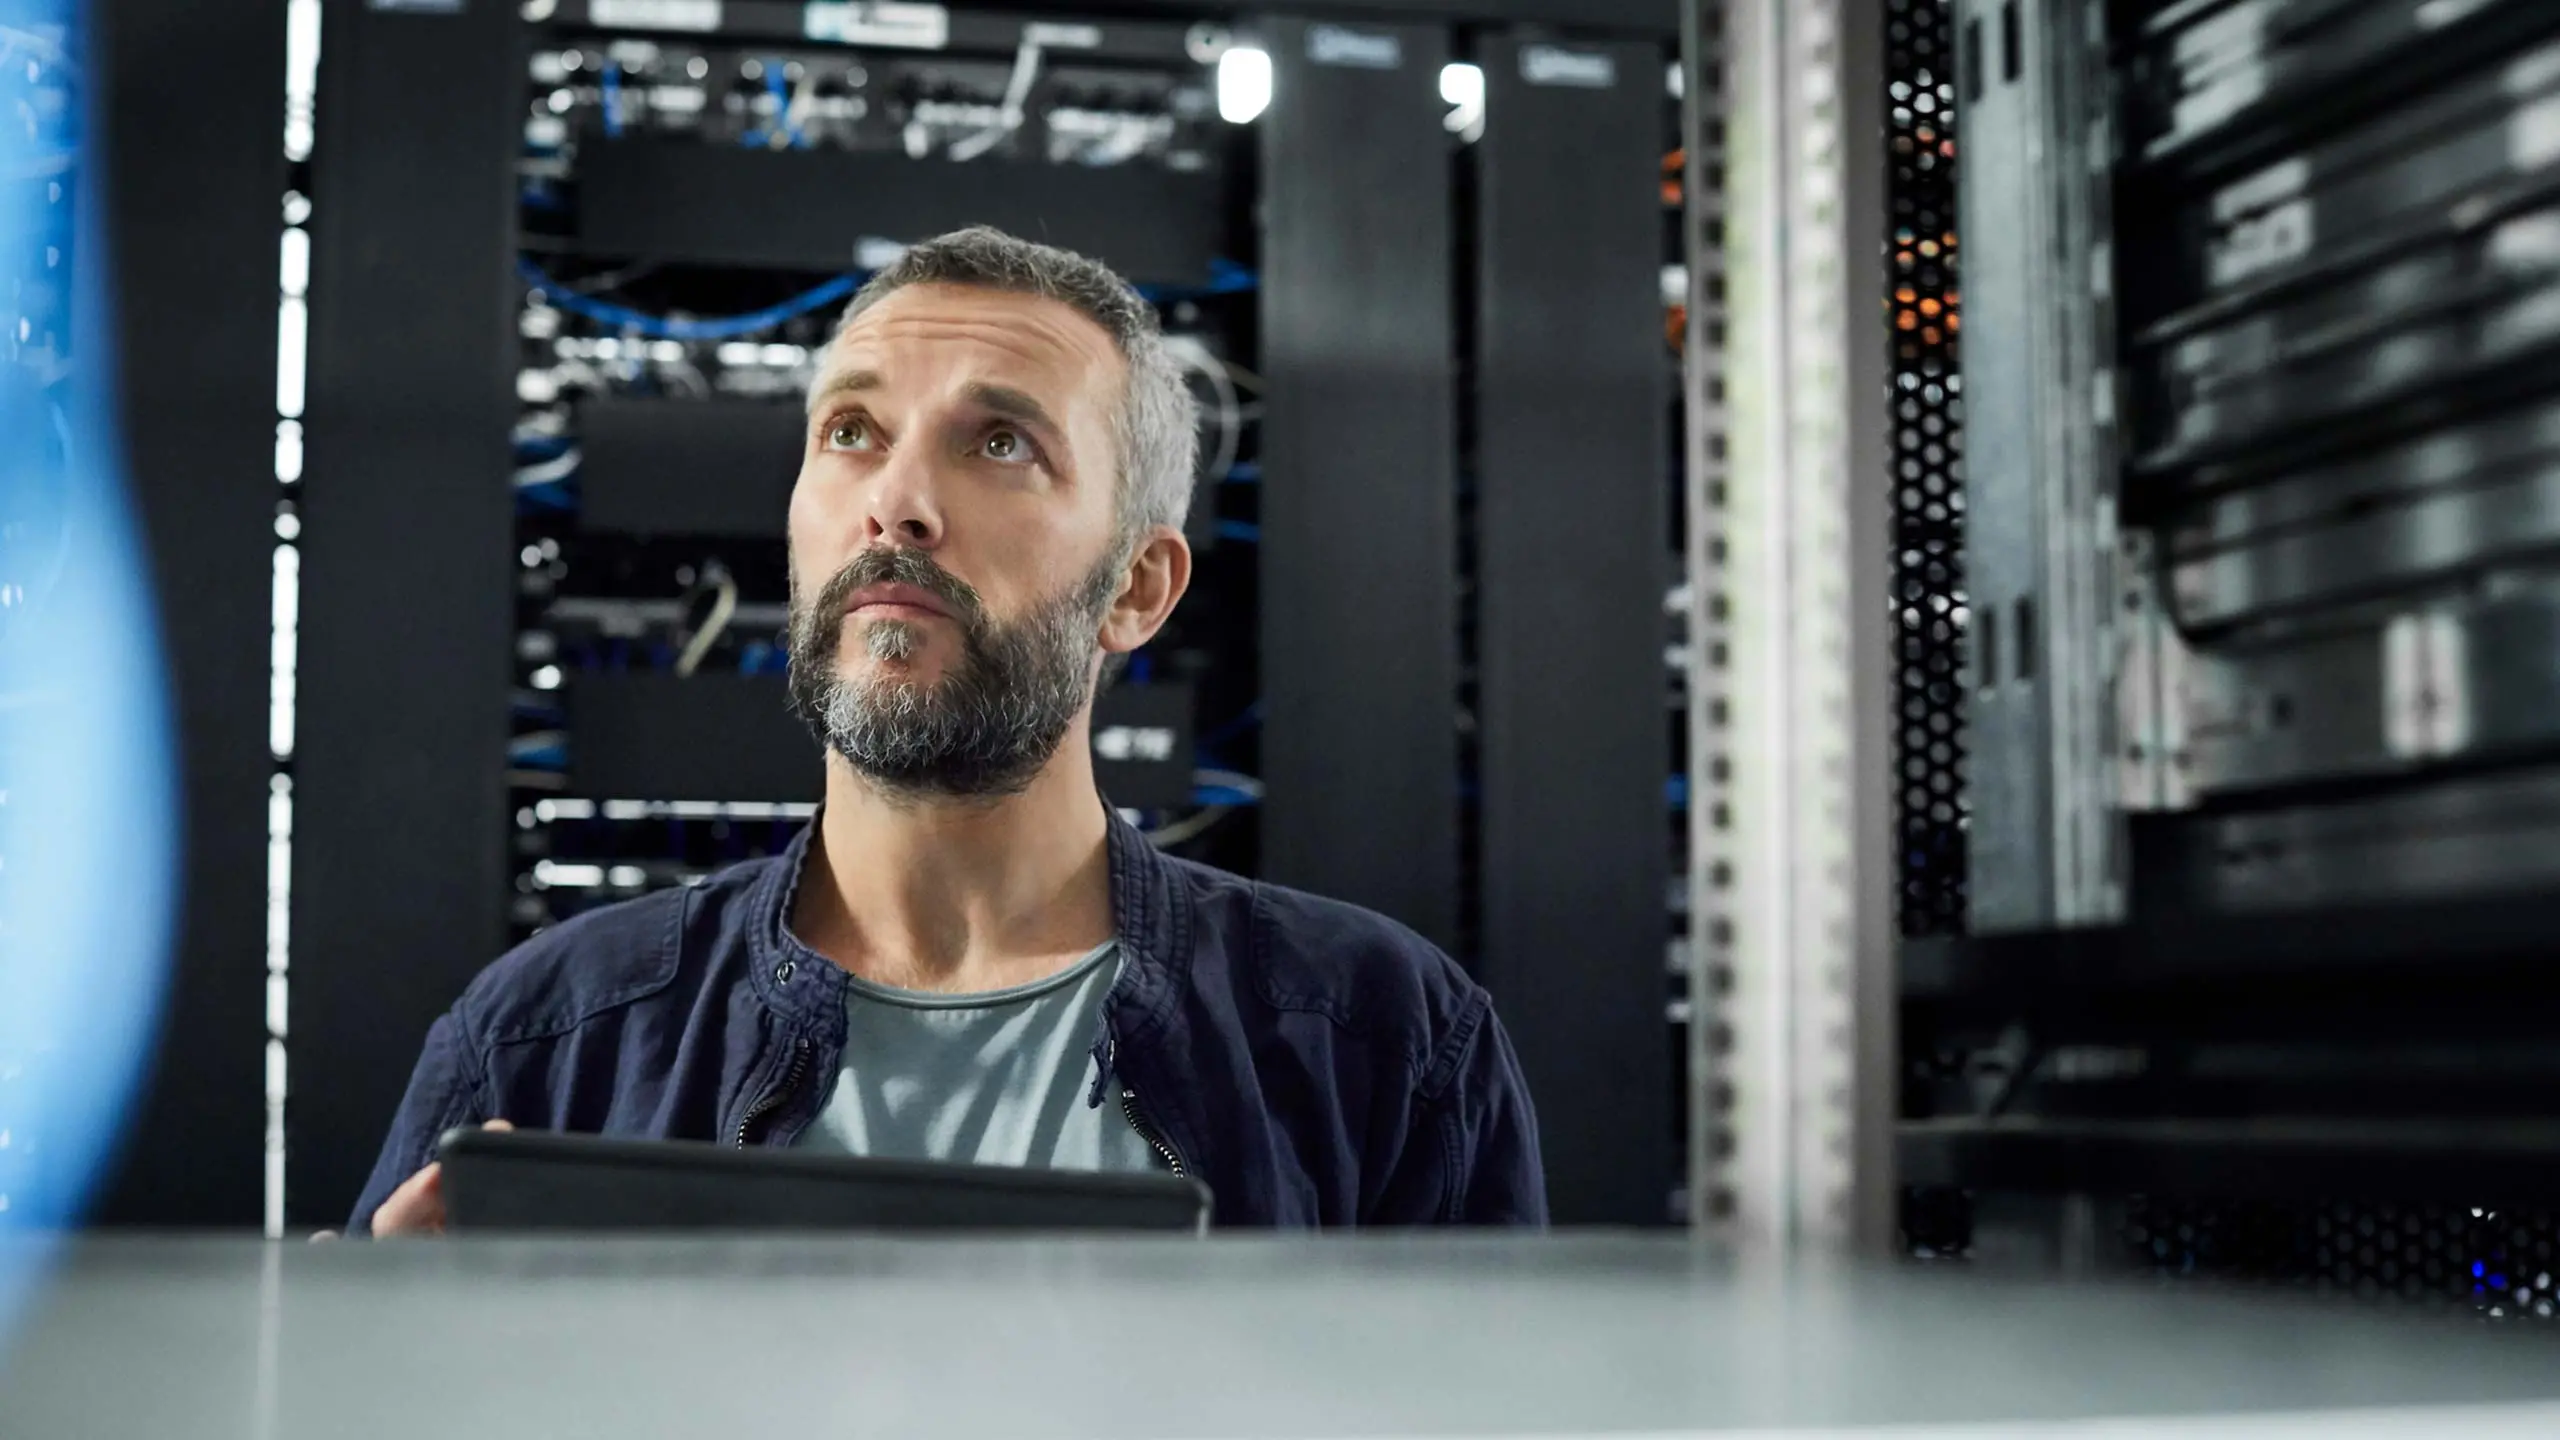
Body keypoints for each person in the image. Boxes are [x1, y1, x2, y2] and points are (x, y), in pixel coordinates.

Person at [351, 226, 1546, 1233]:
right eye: (852, 433)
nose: (896, 506)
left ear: (1137, 587)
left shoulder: (1381, 1043)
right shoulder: (545, 1046)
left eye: (999, 443)